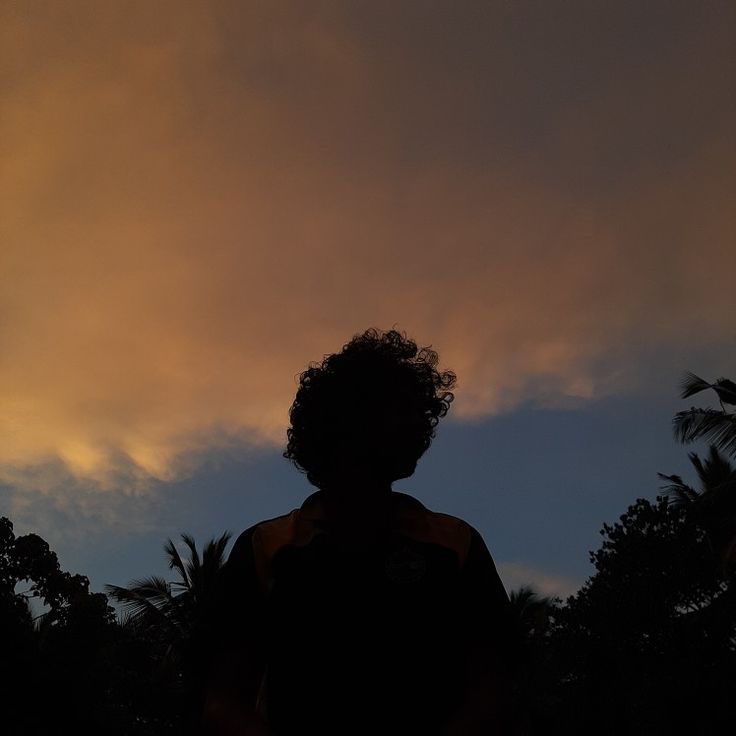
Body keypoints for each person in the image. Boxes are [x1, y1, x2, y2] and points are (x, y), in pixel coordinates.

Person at [199, 328, 517, 735]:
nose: (402, 423)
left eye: (404, 411)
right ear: (337, 425)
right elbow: (223, 702)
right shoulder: (268, 549)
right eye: (382, 410)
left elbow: (493, 694)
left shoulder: (453, 545)